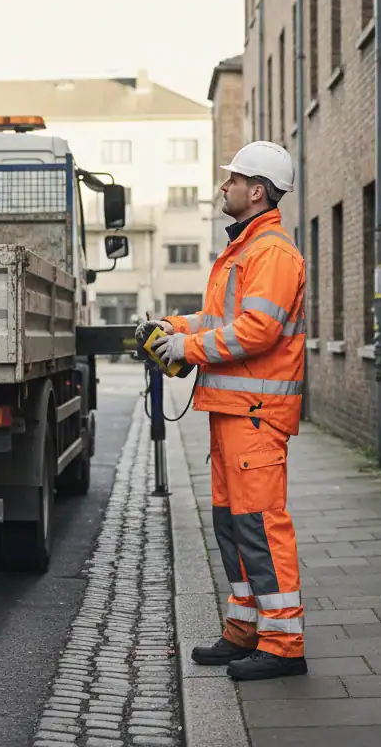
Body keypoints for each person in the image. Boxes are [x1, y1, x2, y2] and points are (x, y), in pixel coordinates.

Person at [136, 140, 307, 682]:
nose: (222, 186)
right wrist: (174, 327)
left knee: (260, 526)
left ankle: (284, 645)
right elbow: (220, 321)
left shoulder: (271, 254)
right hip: (234, 414)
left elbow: (258, 331)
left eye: (232, 179)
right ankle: (244, 629)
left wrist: (186, 349)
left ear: (256, 191)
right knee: (233, 525)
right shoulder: (244, 250)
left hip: (255, 415)